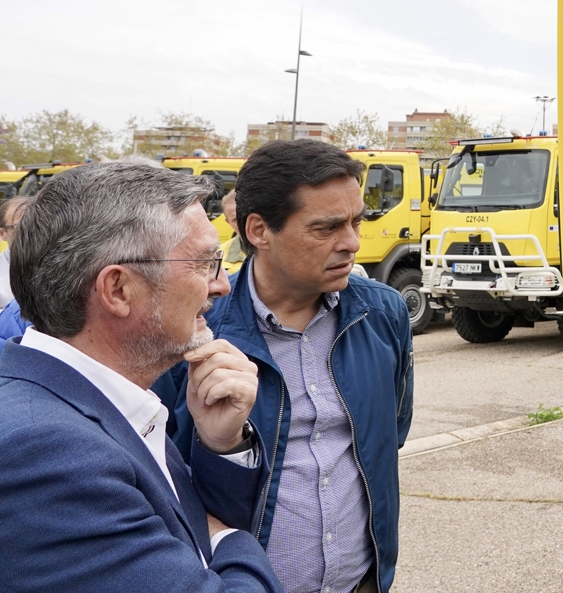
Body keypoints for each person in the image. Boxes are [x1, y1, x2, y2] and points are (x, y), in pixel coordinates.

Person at [0, 160, 282, 592]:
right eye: (206, 263)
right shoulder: (50, 452)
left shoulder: (91, 398)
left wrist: (220, 445)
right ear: (118, 289)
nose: (222, 284)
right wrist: (228, 538)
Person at [159, 139, 414, 593]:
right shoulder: (193, 333)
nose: (352, 242)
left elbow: (390, 431)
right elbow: (164, 481)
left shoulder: (383, 314)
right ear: (258, 230)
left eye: (356, 221)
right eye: (327, 228)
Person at [0, 194, 34, 307]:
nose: (28, 232)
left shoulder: (59, 263)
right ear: (2, 234)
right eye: (19, 227)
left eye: (34, 225)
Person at [221, 189, 247, 274]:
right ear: (228, 222)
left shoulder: (280, 248)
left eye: (245, 216)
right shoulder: (218, 256)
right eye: (235, 219)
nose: (242, 223)